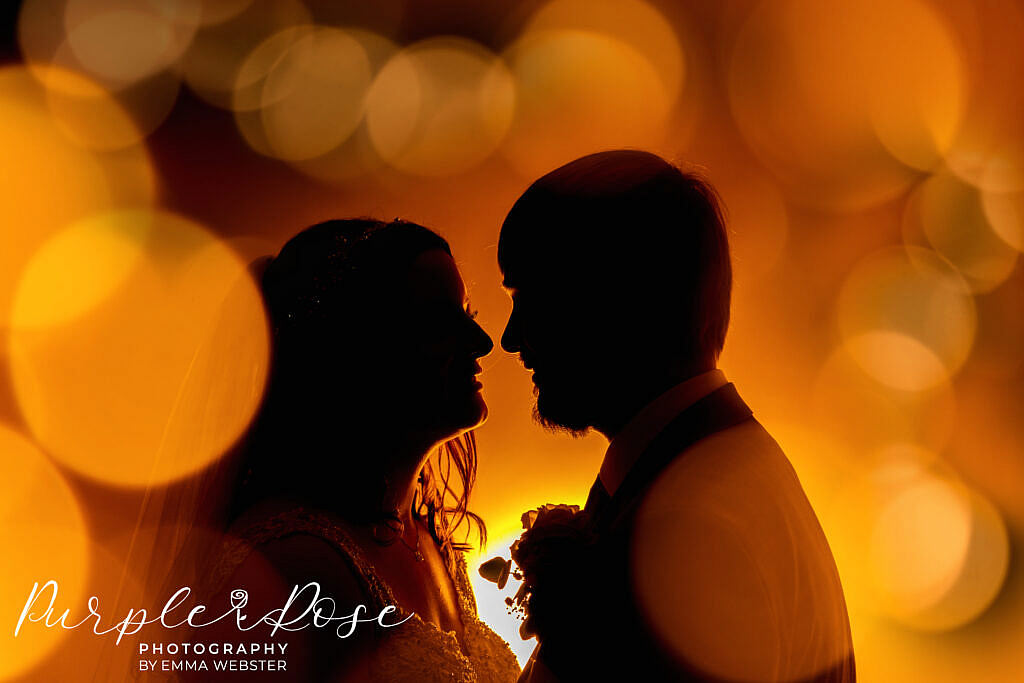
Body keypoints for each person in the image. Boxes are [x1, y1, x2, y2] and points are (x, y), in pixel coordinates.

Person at [498, 151, 855, 682]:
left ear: (608, 297)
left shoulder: (687, 532)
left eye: (530, 299)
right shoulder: (718, 469)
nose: (510, 339)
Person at [183, 219, 519, 682]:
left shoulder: (429, 541)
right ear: (360, 351)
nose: (481, 342)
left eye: (470, 314)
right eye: (441, 322)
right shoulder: (294, 568)